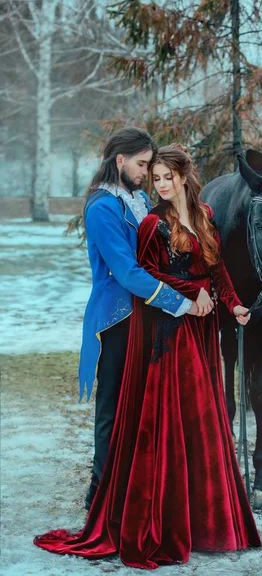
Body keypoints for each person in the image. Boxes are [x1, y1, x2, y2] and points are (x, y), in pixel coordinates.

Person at [34, 145, 262, 568]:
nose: (158, 184)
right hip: (170, 330)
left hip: (202, 327)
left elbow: (217, 271)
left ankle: (205, 521)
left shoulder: (206, 216)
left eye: (165, 176)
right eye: (153, 176)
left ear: (184, 176)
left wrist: (233, 306)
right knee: (172, 420)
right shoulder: (153, 223)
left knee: (204, 420)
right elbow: (144, 270)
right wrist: (186, 295)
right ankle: (151, 513)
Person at [79, 127, 212, 510]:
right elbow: (128, 271)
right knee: (112, 406)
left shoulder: (137, 199)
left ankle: (138, 489)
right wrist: (182, 302)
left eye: (149, 166)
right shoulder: (102, 207)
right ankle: (99, 494)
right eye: (141, 165)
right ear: (119, 161)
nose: (145, 174)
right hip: (116, 318)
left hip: (145, 315)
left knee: (141, 405)